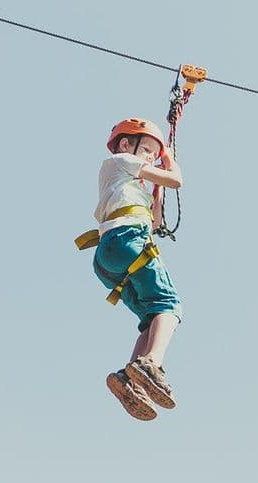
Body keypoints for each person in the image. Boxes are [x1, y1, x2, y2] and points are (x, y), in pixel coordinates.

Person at [92, 117, 184, 421]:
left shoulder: (131, 185)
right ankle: (150, 364)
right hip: (127, 242)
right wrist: (168, 160)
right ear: (124, 144)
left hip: (111, 258)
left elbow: (156, 222)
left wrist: (156, 190)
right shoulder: (117, 161)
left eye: (151, 153)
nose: (148, 157)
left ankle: (130, 379)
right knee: (169, 307)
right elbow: (177, 180)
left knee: (151, 318)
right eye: (145, 149)